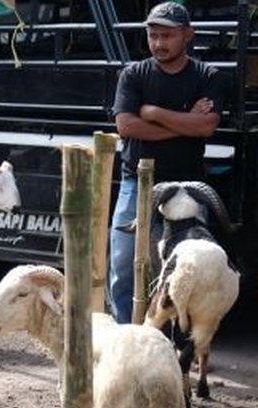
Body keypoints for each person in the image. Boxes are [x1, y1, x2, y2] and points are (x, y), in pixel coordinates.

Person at [108, 1, 225, 323]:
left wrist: (155, 113)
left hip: (187, 186)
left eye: (167, 35)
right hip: (137, 181)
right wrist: (185, 123)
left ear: (188, 34)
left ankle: (180, 344)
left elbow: (206, 126)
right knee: (123, 261)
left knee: (188, 266)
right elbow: (127, 127)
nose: (159, 43)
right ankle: (124, 334)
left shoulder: (207, 76)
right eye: (153, 35)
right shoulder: (133, 75)